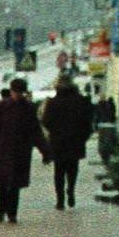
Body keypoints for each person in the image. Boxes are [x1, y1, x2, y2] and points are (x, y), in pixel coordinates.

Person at [0, 76, 50, 224]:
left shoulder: (28, 108)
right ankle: (1, 210)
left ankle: (12, 213)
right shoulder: (3, 106)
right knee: (3, 183)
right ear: (11, 91)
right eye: (15, 92)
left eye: (20, 92)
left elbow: (36, 131)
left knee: (15, 184)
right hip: (3, 150)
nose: (17, 95)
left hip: (20, 151)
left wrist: (45, 151)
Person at [41, 75, 93, 210]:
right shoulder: (81, 101)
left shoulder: (52, 102)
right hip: (75, 141)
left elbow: (46, 121)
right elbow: (88, 122)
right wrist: (83, 137)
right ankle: (71, 190)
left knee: (58, 171)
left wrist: (54, 132)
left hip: (58, 142)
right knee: (73, 168)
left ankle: (60, 200)